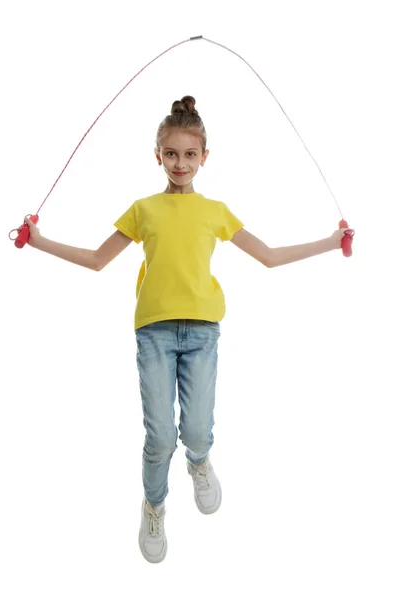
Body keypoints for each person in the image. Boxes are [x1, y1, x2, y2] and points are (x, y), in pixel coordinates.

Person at [25, 95, 349, 564]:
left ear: (204, 157)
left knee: (196, 432)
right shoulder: (143, 209)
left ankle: (199, 462)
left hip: (201, 334)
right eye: (171, 153)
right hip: (154, 334)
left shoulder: (215, 211)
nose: (181, 163)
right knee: (159, 438)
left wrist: (331, 241)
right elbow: (97, 261)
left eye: (190, 154)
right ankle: (154, 504)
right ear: (158, 155)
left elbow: (271, 256)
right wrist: (39, 242)